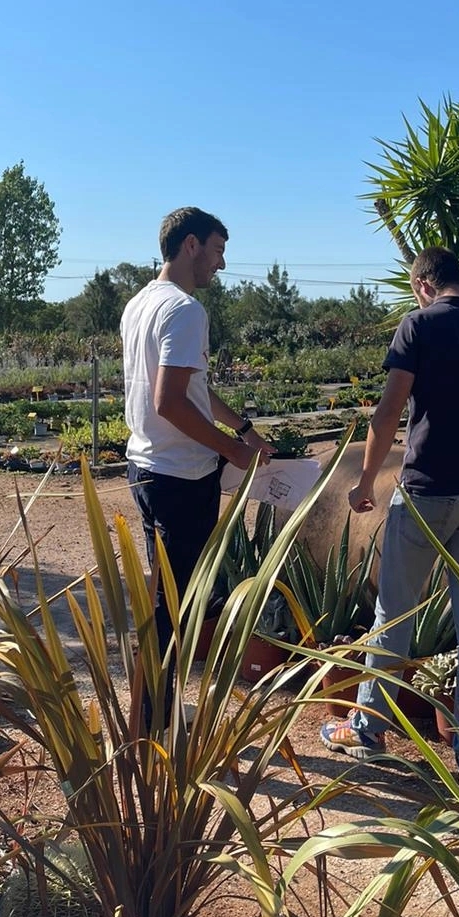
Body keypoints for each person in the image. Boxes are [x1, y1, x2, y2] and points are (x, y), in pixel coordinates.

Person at [320, 245, 459, 790]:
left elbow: (389, 411)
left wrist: (367, 480)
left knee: (393, 614)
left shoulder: (417, 327)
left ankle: (368, 730)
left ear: (423, 284)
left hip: (423, 497)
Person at [122, 206, 275, 662]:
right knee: (176, 607)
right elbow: (168, 402)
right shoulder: (186, 310)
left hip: (146, 467)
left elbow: (192, 389)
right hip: (181, 479)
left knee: (163, 593)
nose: (221, 263)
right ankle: (156, 720)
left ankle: (156, 713)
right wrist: (233, 450)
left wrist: (244, 429)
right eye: (217, 250)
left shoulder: (139, 303)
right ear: (191, 245)